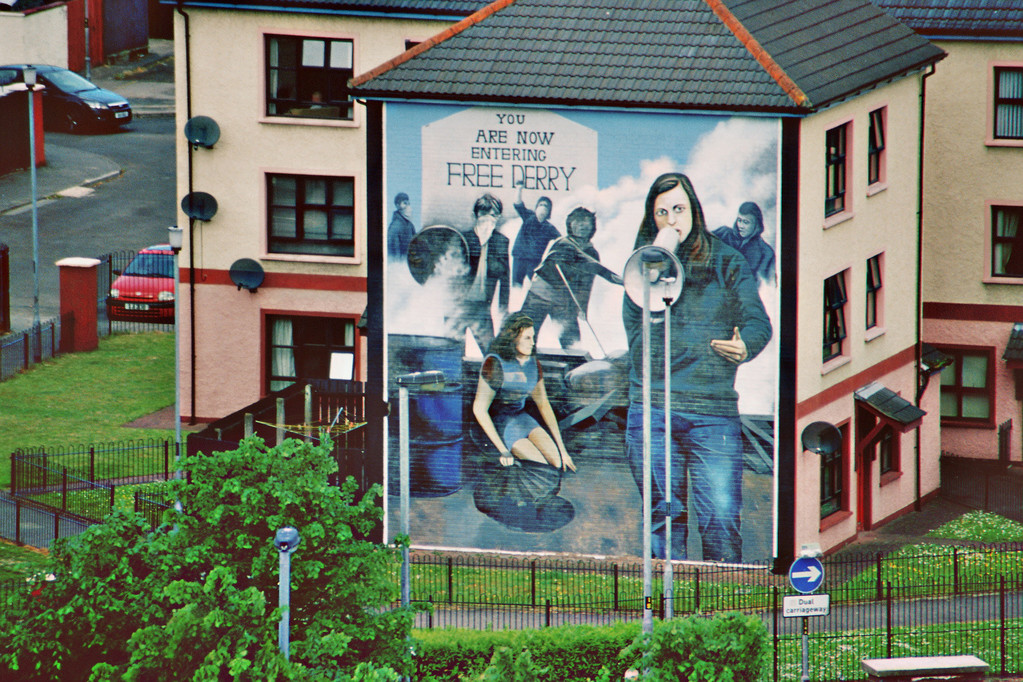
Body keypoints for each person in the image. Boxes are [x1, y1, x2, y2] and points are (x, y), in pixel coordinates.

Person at [622, 172, 772, 563]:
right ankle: (663, 607)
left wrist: (745, 346)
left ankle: (720, 612)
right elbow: (637, 346)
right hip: (653, 408)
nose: (672, 220)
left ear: (695, 211)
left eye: (679, 209)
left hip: (712, 412)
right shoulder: (641, 269)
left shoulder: (727, 261)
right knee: (663, 516)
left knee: (720, 519)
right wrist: (654, 289)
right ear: (651, 219)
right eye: (661, 212)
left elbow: (758, 322)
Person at [472, 311, 575, 472]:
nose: (533, 342)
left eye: (533, 337)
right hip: (502, 423)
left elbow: (543, 404)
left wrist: (563, 450)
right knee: (541, 467)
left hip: (523, 419)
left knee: (557, 463)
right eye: (527, 338)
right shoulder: (494, 363)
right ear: (513, 338)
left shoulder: (533, 364)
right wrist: (503, 450)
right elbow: (479, 408)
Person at [519, 206, 623, 348]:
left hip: (564, 301)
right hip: (540, 295)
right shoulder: (563, 243)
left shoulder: (592, 252)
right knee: (524, 334)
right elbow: (593, 266)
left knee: (572, 342)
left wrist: (582, 308)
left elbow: (587, 283)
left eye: (586, 222)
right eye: (577, 221)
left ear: (592, 227)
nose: (582, 225)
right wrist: (614, 277)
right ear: (570, 225)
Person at [452, 193, 510, 350]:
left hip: (482, 308)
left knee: (492, 356)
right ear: (475, 215)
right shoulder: (462, 238)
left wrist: (504, 309)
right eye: (483, 213)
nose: (488, 219)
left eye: (493, 215)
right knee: (452, 355)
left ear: (498, 218)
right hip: (457, 307)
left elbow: (505, 277)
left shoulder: (501, 241)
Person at [712, 201, 775, 286]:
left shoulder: (766, 252)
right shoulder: (723, 234)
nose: (741, 226)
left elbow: (767, 285)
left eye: (746, 222)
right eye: (739, 220)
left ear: (756, 224)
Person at [511, 183, 560, 286]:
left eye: (546, 206)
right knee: (516, 285)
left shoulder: (550, 228)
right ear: (536, 207)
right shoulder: (528, 216)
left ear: (549, 211)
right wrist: (519, 188)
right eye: (540, 205)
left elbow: (560, 240)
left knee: (537, 285)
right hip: (520, 257)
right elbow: (517, 203)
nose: (543, 208)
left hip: (534, 261)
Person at [387, 192, 416, 259]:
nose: (408, 207)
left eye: (408, 204)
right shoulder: (394, 227)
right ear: (397, 205)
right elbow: (393, 255)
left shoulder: (410, 225)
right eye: (405, 203)